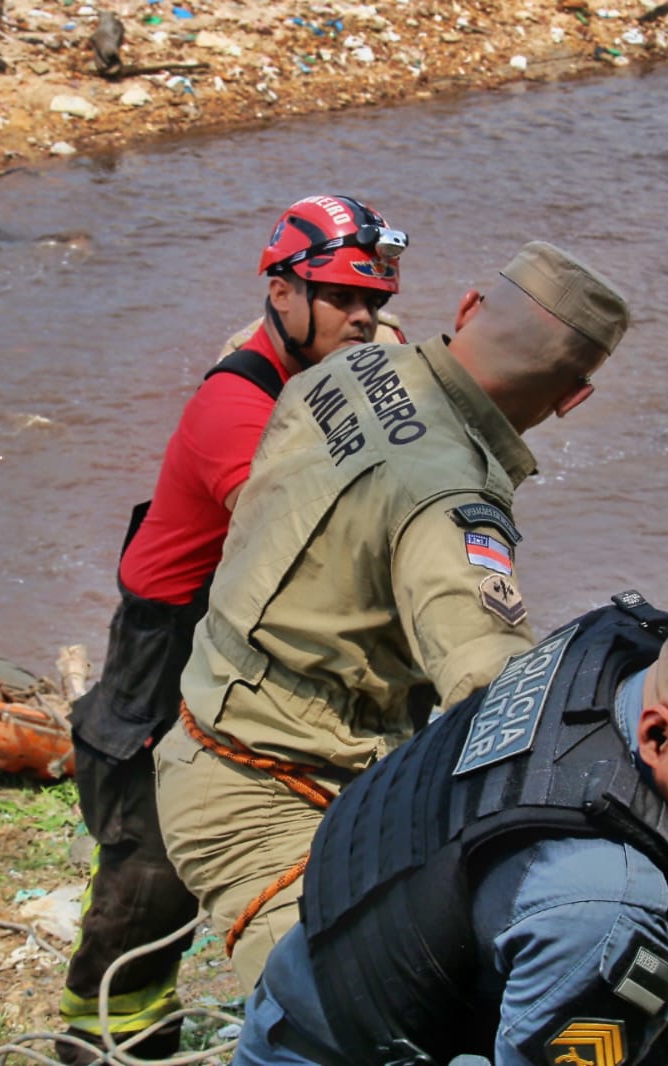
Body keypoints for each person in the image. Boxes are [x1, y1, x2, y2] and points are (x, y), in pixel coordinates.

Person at [154, 239, 632, 991]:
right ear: (572, 397)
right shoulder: (451, 502)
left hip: (213, 725)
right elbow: (494, 684)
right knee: (329, 1020)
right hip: (268, 798)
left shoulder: (352, 366)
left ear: (469, 306)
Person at [57, 194, 409, 1064]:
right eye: (341, 299)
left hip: (248, 638)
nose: (363, 320)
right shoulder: (235, 406)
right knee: (152, 864)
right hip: (169, 646)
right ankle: (101, 1037)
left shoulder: (330, 377)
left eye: (375, 305)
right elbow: (303, 536)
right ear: (282, 293)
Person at [230, 592, 668, 1066]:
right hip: (332, 1045)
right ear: (658, 734)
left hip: (327, 967)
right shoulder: (604, 902)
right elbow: (636, 881)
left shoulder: (617, 661)